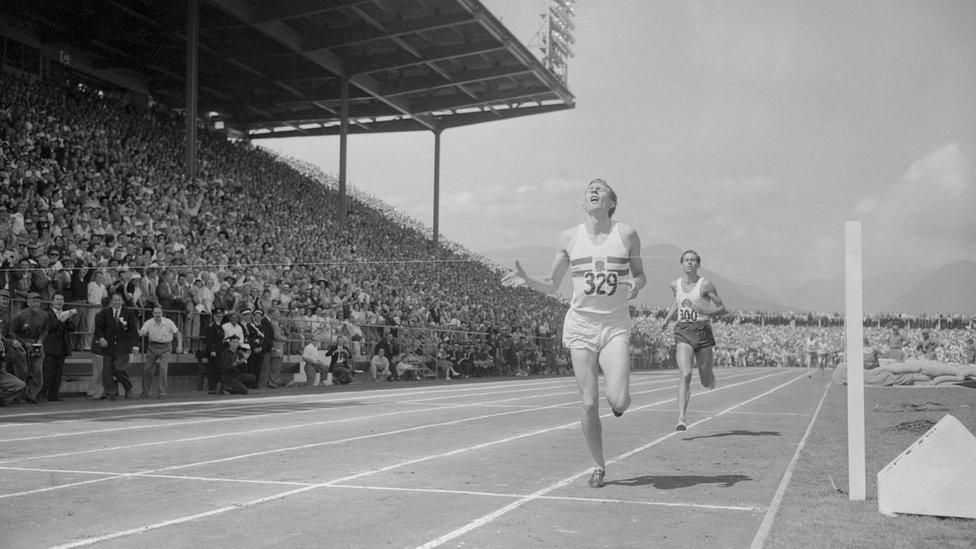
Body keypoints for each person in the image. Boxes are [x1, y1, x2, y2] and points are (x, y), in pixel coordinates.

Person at [502, 178, 646, 489]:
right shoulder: (570, 237)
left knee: (618, 401)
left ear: (611, 202)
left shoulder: (627, 234)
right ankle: (598, 466)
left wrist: (637, 283)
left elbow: (641, 274)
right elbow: (552, 283)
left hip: (614, 325)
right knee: (589, 403)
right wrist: (527, 279)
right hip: (581, 325)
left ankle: (620, 401)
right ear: (584, 204)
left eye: (601, 189)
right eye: (589, 190)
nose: (594, 191)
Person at [660, 250, 727, 432]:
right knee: (686, 374)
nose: (689, 263)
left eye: (693, 260)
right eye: (686, 260)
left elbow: (722, 308)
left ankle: (710, 378)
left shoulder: (705, 285)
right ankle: (681, 419)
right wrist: (667, 319)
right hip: (683, 330)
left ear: (698, 264)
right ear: (682, 264)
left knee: (706, 380)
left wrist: (707, 312)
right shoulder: (675, 284)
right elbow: (677, 301)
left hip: (702, 330)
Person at [91, 293, 138, 400]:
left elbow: (133, 330)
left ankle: (128, 387)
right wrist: (101, 338)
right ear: (112, 301)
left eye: (119, 300)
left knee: (119, 369)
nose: (117, 302)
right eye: (115, 300)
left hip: (123, 347)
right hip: (108, 347)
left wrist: (136, 345)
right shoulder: (105, 313)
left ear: (122, 301)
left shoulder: (129, 313)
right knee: (107, 371)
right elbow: (99, 328)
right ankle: (111, 393)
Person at [10, 292, 50, 404]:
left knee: (37, 370)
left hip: (36, 345)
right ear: (28, 302)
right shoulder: (20, 315)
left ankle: (32, 395)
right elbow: (12, 332)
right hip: (21, 345)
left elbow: (45, 330)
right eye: (33, 301)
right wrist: (23, 343)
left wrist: (40, 340)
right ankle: (19, 396)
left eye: (38, 301)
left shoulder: (44, 315)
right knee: (23, 371)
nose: (36, 304)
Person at [137, 305, 183, 399]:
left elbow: (178, 333)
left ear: (162, 313)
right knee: (147, 369)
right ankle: (145, 392)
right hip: (152, 346)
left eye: (159, 313)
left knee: (163, 368)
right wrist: (135, 330)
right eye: (156, 313)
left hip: (165, 347)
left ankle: (162, 393)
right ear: (152, 314)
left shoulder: (168, 322)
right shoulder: (149, 322)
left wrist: (180, 345)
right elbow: (141, 333)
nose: (158, 315)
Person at [42, 293, 76, 402]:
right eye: (57, 299)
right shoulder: (47, 314)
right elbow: (48, 328)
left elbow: (72, 328)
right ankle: (42, 395)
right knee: (47, 373)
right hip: (50, 348)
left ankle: (53, 395)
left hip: (62, 348)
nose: (59, 301)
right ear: (52, 301)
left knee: (58, 374)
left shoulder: (66, 313)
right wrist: (60, 320)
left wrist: (69, 318)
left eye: (61, 299)